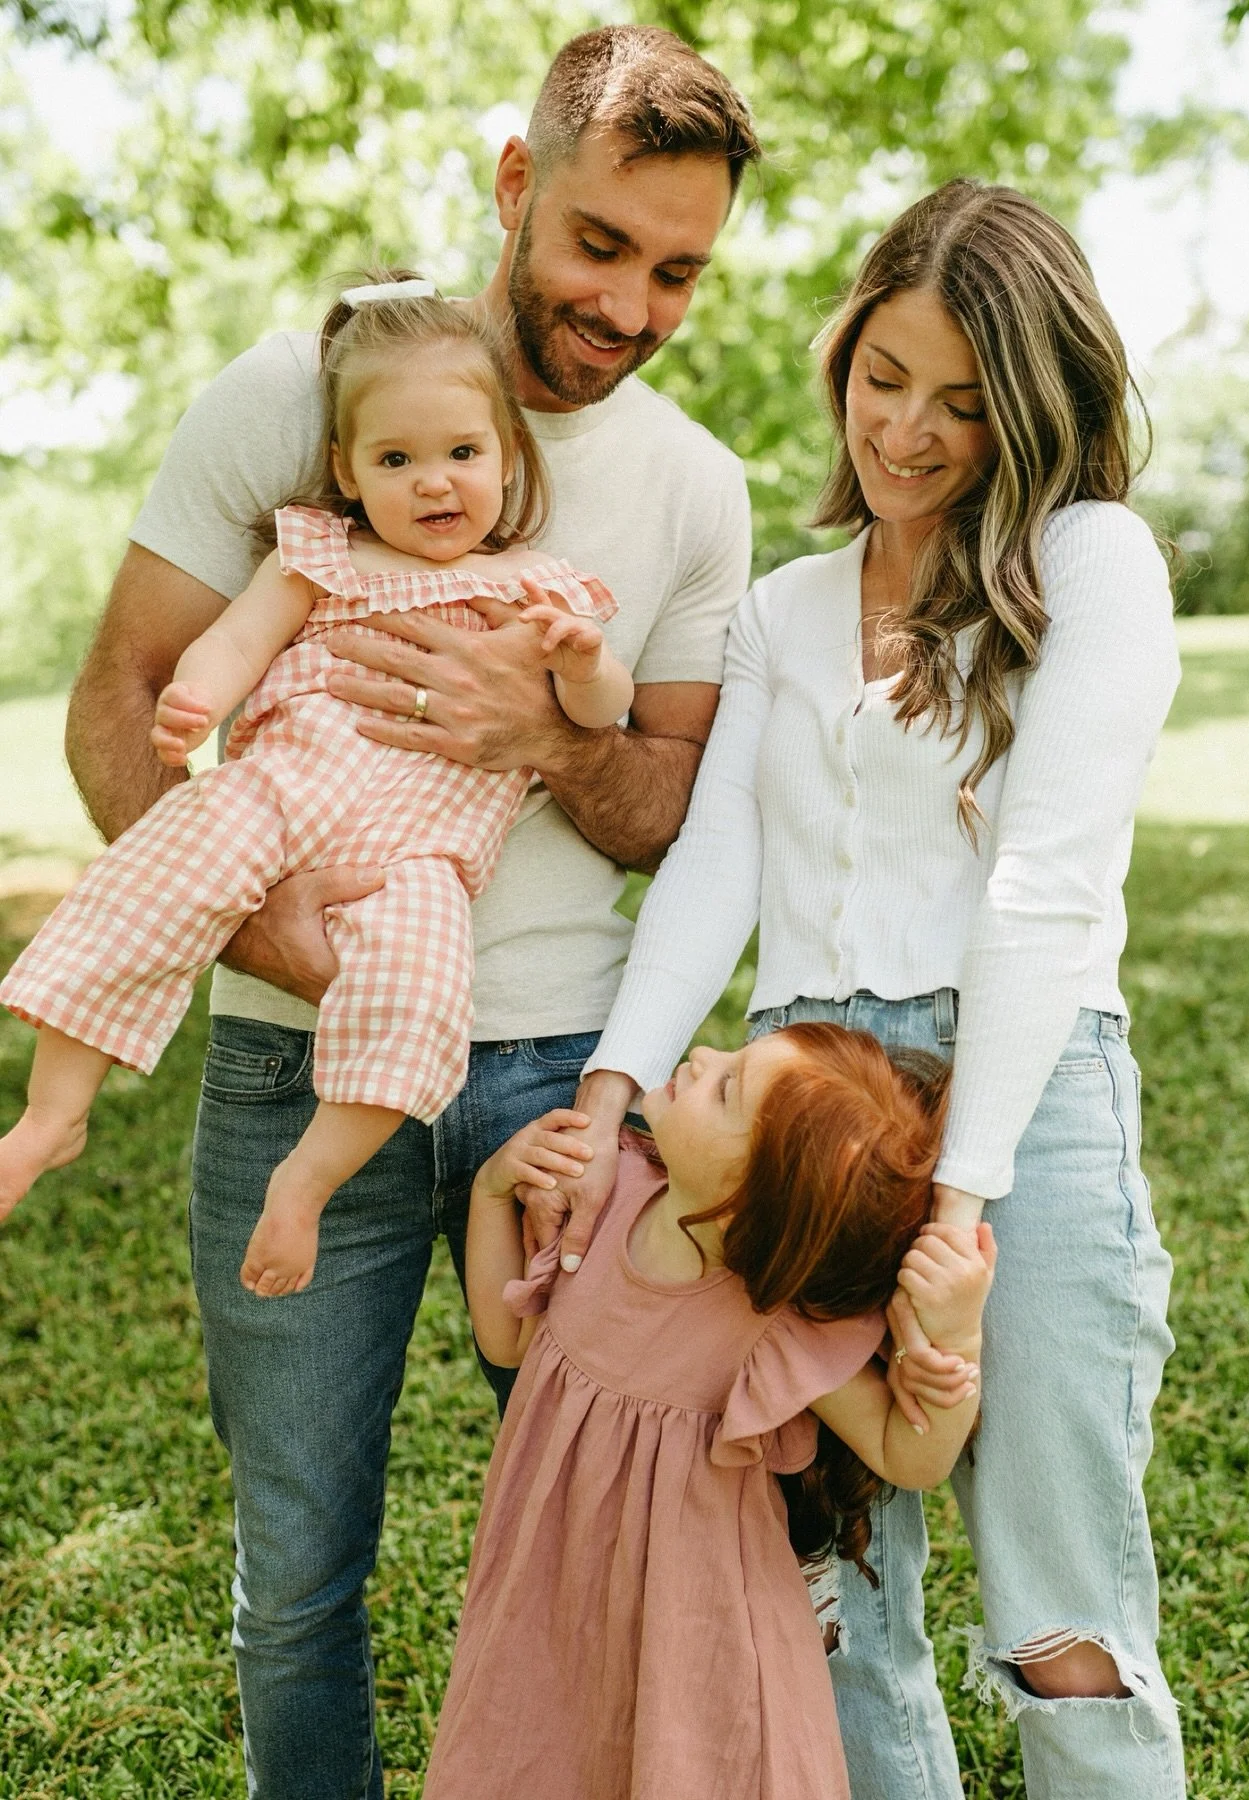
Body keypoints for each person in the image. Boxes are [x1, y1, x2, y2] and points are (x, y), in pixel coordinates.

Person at [58, 26, 759, 1797]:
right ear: (516, 188)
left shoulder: (693, 486)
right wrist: (285, 943)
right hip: (299, 1070)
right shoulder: (287, 401)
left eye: (679, 271)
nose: (633, 305)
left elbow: (675, 806)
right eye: (603, 245)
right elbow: (118, 702)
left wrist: (546, 733)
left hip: (564, 1083)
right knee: (297, 1573)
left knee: (615, 1541)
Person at [552, 181, 1186, 1799]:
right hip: (794, 1106)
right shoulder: (781, 606)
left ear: (1035, 406)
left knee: (1062, 1622)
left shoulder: (1090, 566)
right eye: (883, 376)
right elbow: (715, 868)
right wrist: (615, 1092)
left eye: (965, 402)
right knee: (830, 1608)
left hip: (1019, 1103)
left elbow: (1049, 888)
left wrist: (960, 1209)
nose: (908, 429)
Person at [0, 277, 633, 1296]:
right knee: (154, 875)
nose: (434, 483)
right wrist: (196, 699)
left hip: (421, 854)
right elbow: (238, 639)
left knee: (421, 985)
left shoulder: (536, 588)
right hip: (285, 788)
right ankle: (49, 1114)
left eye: (462, 454)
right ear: (346, 468)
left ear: (508, 458)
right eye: (397, 459)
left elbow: (604, 712)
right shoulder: (319, 554)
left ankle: (308, 1178)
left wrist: (583, 661)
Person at [425, 1024, 995, 1800]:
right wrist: (493, 1189)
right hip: (549, 1599)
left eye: (727, 1088)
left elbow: (911, 1456)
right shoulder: (603, 1197)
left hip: (697, 1632)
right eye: (732, 1059)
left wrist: (956, 1336)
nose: (705, 1057)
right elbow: (505, 1339)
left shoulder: (770, 1326)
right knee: (544, 1753)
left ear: (753, 1198)